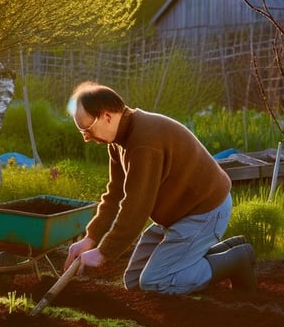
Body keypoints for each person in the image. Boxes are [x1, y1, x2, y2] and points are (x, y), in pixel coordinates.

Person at [64, 81, 256, 295]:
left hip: (204, 213)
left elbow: (136, 207)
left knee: (156, 282)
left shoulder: (144, 142)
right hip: (179, 216)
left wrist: (104, 253)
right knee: (135, 280)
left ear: (107, 116)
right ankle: (225, 250)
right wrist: (90, 238)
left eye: (86, 129)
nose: (86, 138)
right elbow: (114, 196)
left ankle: (235, 260)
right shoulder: (118, 141)